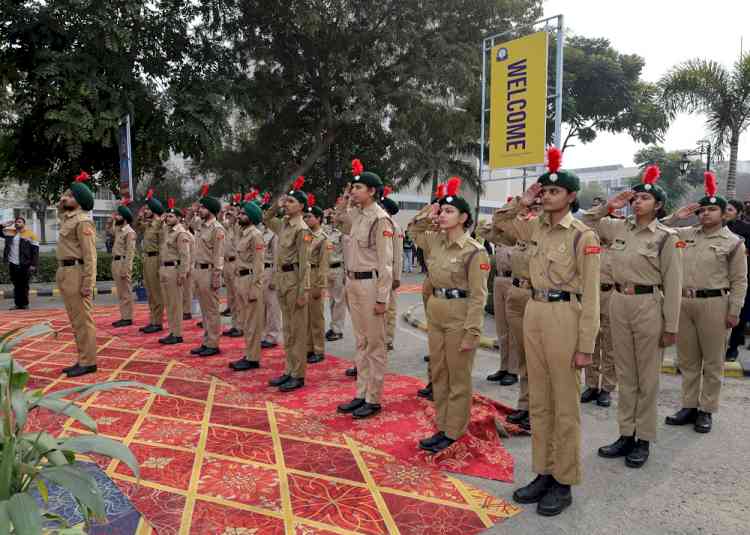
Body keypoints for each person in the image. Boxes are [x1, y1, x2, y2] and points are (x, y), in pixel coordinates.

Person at [498, 148, 600, 516]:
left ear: (571, 196)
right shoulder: (533, 225)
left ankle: (564, 480)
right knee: (539, 401)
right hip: (535, 311)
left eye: (554, 192)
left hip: (565, 315)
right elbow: (494, 226)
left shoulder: (582, 236)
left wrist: (586, 344)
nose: (546, 197)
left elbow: (591, 297)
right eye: (543, 192)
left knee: (565, 404)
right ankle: (543, 470)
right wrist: (522, 200)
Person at [584, 165, 682, 470]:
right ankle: (626, 434)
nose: (637, 202)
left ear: (658, 206)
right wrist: (610, 204)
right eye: (635, 197)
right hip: (618, 301)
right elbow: (586, 221)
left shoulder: (667, 237)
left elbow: (675, 283)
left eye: (644, 198)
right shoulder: (617, 228)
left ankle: (643, 439)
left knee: (646, 378)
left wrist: (672, 325)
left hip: (648, 304)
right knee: (626, 375)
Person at [407, 176, 489, 454]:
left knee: (458, 376)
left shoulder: (474, 251)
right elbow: (411, 230)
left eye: (449, 211)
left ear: (464, 217)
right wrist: (429, 212)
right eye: (441, 211)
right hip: (437, 310)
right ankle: (442, 425)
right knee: (439, 372)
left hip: (460, 314)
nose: (443, 215)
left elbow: (479, 295)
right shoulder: (435, 242)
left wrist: (472, 331)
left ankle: (454, 431)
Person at [661, 172, 747, 433]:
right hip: (685, 303)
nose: (705, 214)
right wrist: (678, 215)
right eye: (702, 210)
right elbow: (657, 229)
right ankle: (689, 405)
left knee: (712, 361)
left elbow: (740, 280)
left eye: (712, 210)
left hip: (715, 305)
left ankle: (706, 409)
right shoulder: (685, 233)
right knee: (687, 360)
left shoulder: (733, 242)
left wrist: (734, 311)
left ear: (724, 214)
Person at [335, 160, 393, 418]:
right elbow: (338, 218)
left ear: (372, 191)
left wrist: (382, 298)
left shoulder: (381, 220)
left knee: (375, 344)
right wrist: (346, 199)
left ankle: (374, 397)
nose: (353, 191)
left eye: (358, 187)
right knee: (360, 342)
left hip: (371, 284)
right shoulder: (356, 215)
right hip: (353, 282)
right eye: (353, 187)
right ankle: (361, 393)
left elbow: (386, 263)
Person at [262, 177, 312, 392]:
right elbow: (266, 217)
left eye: (292, 202)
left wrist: (303, 290)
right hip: (282, 280)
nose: (287, 204)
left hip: (294, 282)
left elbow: (305, 264)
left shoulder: (302, 229)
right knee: (287, 329)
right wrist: (278, 203)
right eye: (287, 201)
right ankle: (289, 370)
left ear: (301, 206)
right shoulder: (283, 225)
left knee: (297, 330)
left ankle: (298, 374)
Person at [57, 172, 98, 378]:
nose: (66, 199)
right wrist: (64, 197)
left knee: (83, 320)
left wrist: (88, 283)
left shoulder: (83, 222)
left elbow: (91, 256)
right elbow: (61, 209)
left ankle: (89, 362)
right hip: (65, 271)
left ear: (80, 201)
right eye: (66, 196)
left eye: (71, 196)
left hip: (77, 272)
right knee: (75, 320)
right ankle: (82, 358)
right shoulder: (68, 218)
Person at [580, 197, 617, 408]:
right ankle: (592, 384)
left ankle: (607, 388)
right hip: (591, 294)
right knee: (590, 341)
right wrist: (606, 207)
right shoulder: (592, 242)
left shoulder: (620, 243)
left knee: (610, 345)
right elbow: (586, 219)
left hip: (613, 295)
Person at [478, 205, 519, 386]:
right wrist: (498, 223)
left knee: (513, 330)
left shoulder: (522, 234)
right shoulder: (499, 237)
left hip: (515, 281)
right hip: (499, 281)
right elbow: (481, 229)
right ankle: (503, 367)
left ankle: (513, 370)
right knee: (502, 329)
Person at [229, 195, 266, 371]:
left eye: (243, 213)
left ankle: (253, 358)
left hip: (251, 280)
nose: (239, 215)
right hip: (241, 279)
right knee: (246, 321)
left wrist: (255, 288)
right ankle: (249, 353)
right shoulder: (242, 232)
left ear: (250, 217)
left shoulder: (256, 236)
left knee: (252, 322)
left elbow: (259, 265)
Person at [190, 185, 225, 357]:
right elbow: (189, 221)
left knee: (211, 309)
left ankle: (213, 343)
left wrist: (217, 275)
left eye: (203, 207)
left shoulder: (217, 229)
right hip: (198, 270)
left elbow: (219, 254)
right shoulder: (201, 225)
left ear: (210, 210)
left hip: (209, 271)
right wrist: (194, 209)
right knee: (204, 310)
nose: (200, 210)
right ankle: (206, 340)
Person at [158, 199, 191, 345]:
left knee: (175, 304)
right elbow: (162, 224)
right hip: (165, 268)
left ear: (178, 219)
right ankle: (172, 331)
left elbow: (185, 256)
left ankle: (177, 334)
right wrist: (163, 218)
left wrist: (182, 274)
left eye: (171, 216)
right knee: (168, 303)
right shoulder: (168, 230)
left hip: (174, 270)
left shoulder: (181, 233)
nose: (168, 218)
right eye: (167, 216)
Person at [303, 197, 330, 364]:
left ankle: (319, 349)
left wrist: (320, 285)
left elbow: (323, 264)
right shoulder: (307, 236)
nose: (307, 219)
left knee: (317, 317)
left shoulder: (323, 238)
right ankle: (308, 347)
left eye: (310, 217)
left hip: (315, 276)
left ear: (319, 218)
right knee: (306, 316)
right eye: (305, 217)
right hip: (305, 276)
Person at [135, 190, 165, 333]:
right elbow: (137, 226)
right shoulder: (149, 224)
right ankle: (152, 320)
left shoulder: (159, 225)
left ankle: (157, 323)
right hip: (147, 258)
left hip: (156, 259)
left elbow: (163, 245)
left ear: (153, 210)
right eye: (145, 209)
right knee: (150, 291)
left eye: (147, 209)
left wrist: (161, 265)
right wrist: (140, 216)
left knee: (156, 292)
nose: (145, 211)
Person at [724, 199, 750, 361]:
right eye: (724, 209)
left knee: (739, 315)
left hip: (741, 276)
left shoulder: (746, 229)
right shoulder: (716, 226)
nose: (726, 212)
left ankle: (732, 349)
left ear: (738, 213)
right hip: (718, 278)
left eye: (730, 209)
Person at [380, 188, 403, 351]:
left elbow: (398, 253)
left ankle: (388, 339)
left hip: (390, 274)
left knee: (390, 309)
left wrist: (397, 277)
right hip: (377, 273)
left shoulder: (394, 227)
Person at [2, 216, 39, 310]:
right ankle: (17, 304)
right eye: (16, 222)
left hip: (25, 263)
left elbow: (35, 251)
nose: (17, 223)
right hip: (13, 263)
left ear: (24, 224)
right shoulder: (10, 233)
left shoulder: (31, 234)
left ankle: (25, 304)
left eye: (19, 222)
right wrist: (4, 225)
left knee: (24, 284)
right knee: (16, 284)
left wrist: (33, 264)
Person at [261, 194, 283, 349]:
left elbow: (277, 257)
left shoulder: (274, 234)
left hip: (270, 270)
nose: (264, 216)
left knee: (272, 305)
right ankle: (264, 333)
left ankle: (272, 335)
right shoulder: (261, 232)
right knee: (262, 305)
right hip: (262, 271)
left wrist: (275, 277)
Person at [110, 203, 136, 327]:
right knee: (121, 292)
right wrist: (112, 219)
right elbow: (109, 230)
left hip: (123, 262)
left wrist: (126, 269)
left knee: (125, 291)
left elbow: (130, 253)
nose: (116, 216)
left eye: (119, 215)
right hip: (116, 262)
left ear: (124, 217)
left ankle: (127, 317)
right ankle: (124, 316)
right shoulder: (119, 230)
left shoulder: (129, 232)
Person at [221, 197, 243, 337]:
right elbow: (219, 221)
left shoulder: (240, 227)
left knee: (238, 296)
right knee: (231, 297)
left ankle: (240, 326)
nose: (231, 213)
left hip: (237, 263)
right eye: (230, 210)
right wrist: (224, 212)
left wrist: (236, 217)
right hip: (227, 263)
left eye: (234, 210)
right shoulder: (227, 226)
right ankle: (235, 325)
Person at [324, 209, 347, 342]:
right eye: (330, 215)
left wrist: (345, 272)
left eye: (334, 214)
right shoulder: (325, 231)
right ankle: (333, 326)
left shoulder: (342, 233)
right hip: (327, 269)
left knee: (339, 301)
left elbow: (346, 253)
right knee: (332, 300)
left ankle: (337, 329)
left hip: (338, 268)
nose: (332, 217)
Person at [180, 210, 196, 320]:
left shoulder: (189, 236)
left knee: (187, 290)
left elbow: (192, 252)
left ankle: (187, 311)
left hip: (189, 266)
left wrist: (190, 266)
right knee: (182, 290)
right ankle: (183, 310)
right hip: (182, 266)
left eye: (183, 223)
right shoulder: (182, 235)